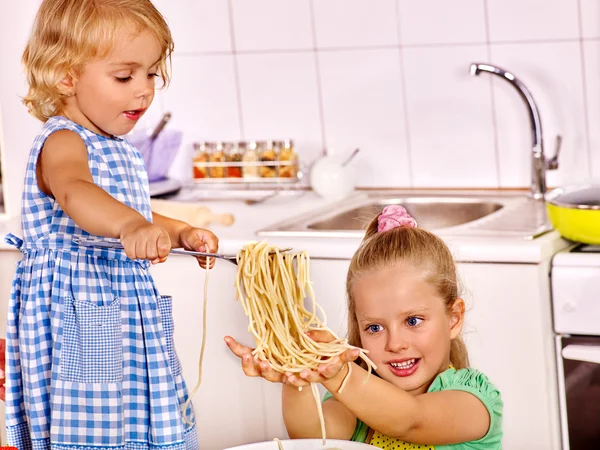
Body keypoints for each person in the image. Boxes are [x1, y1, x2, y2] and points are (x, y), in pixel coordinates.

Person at [4, 1, 217, 448]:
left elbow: (131, 207)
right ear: (66, 75)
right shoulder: (62, 140)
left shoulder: (116, 146)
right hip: (79, 311)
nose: (144, 91)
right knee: (94, 425)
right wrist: (129, 227)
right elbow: (75, 192)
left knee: (135, 412)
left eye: (152, 74)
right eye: (125, 76)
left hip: (117, 305)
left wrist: (177, 231)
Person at [226, 205, 503, 449]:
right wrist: (299, 371)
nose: (395, 343)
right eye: (374, 328)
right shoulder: (355, 402)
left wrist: (336, 373)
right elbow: (311, 435)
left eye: (412, 321)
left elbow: (410, 419)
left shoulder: (474, 401)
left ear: (453, 318)